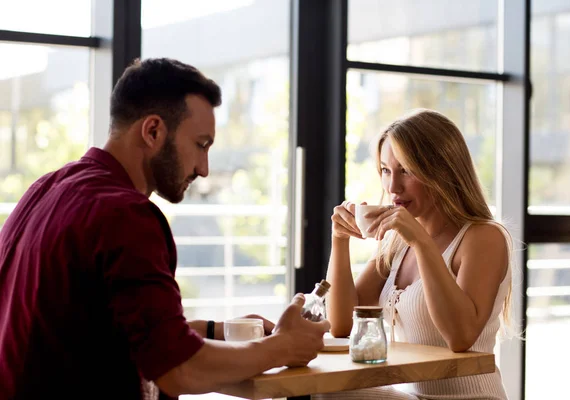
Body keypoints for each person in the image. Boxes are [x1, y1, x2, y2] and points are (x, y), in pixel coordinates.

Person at [0, 58, 330, 400]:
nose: (203, 169)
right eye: (201, 145)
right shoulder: (127, 215)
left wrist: (219, 331)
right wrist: (282, 347)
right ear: (153, 131)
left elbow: (113, 329)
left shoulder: (44, 189)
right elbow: (179, 371)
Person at [319, 109, 513, 399]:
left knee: (328, 395)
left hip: (469, 396)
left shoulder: (483, 237)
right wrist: (339, 240)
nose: (392, 187)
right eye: (386, 170)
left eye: (406, 170)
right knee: (324, 392)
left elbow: (461, 337)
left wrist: (422, 243)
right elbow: (342, 323)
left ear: (442, 171)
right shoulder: (397, 242)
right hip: (411, 394)